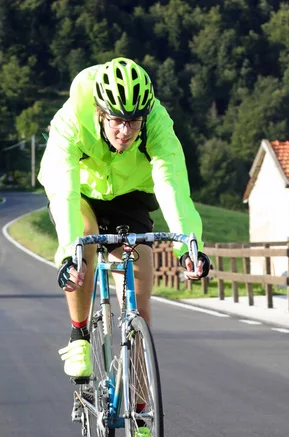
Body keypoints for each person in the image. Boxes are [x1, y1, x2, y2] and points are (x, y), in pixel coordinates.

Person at [38, 56, 210, 383]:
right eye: (117, 120)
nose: (126, 131)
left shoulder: (157, 123)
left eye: (134, 121)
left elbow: (171, 184)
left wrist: (189, 247)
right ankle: (79, 337)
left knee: (139, 311)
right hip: (82, 193)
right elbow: (64, 193)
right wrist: (67, 256)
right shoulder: (72, 120)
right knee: (82, 239)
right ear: (101, 113)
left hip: (131, 196)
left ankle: (142, 416)